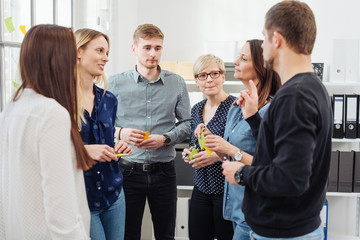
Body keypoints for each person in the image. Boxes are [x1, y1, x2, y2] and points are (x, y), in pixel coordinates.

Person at [222, 1, 333, 239]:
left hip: (284, 232)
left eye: (264, 38)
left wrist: (241, 174)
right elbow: (281, 152)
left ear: (277, 40)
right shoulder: (312, 87)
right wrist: (253, 118)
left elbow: (290, 179)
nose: (261, 46)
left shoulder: (295, 96)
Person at [0, 24, 93, 239]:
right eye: (73, 57)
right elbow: (61, 215)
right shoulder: (51, 114)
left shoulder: (10, 111)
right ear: (59, 61)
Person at [108, 24, 191, 240]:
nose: (153, 54)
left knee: (166, 235)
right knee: (127, 235)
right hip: (126, 171)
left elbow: (188, 123)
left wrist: (166, 139)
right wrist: (120, 133)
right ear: (134, 49)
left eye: (157, 48)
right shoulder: (114, 83)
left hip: (164, 172)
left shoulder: (177, 83)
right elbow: (101, 126)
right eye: (147, 47)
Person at [203, 40, 280, 240]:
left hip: (255, 212)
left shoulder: (271, 110)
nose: (235, 61)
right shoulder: (237, 106)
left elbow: (273, 168)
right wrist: (213, 142)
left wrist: (229, 149)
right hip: (235, 210)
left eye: (243, 58)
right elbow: (229, 158)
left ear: (261, 67)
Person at [75, 28, 133, 240]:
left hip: (114, 194)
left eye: (107, 52)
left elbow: (106, 141)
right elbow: (53, 151)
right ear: (79, 52)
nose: (106, 58)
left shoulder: (109, 100)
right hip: (82, 197)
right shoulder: (61, 101)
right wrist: (84, 151)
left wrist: (119, 145)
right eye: (100, 51)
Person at [182, 54, 235, 240]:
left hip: (227, 191)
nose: (209, 79)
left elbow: (244, 150)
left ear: (223, 76)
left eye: (214, 73)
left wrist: (216, 156)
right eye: (202, 75)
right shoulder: (196, 108)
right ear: (196, 81)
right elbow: (194, 143)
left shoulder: (236, 107)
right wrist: (189, 153)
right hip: (201, 188)